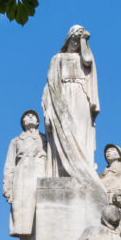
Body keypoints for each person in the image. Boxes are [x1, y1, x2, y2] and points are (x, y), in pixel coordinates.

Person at [41, 25, 104, 191]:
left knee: (81, 131)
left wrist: (84, 40)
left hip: (81, 93)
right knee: (66, 131)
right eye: (74, 36)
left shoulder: (84, 57)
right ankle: (64, 171)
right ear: (68, 38)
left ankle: (84, 169)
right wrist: (48, 111)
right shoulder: (58, 58)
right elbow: (50, 85)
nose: (76, 39)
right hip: (62, 96)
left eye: (79, 37)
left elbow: (88, 60)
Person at [2, 110, 48, 240]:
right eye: (27, 116)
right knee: (22, 213)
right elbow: (9, 165)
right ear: (22, 122)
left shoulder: (45, 138)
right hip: (21, 176)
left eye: (33, 115)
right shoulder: (16, 141)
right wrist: (7, 188)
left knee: (38, 211)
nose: (30, 117)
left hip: (40, 173)